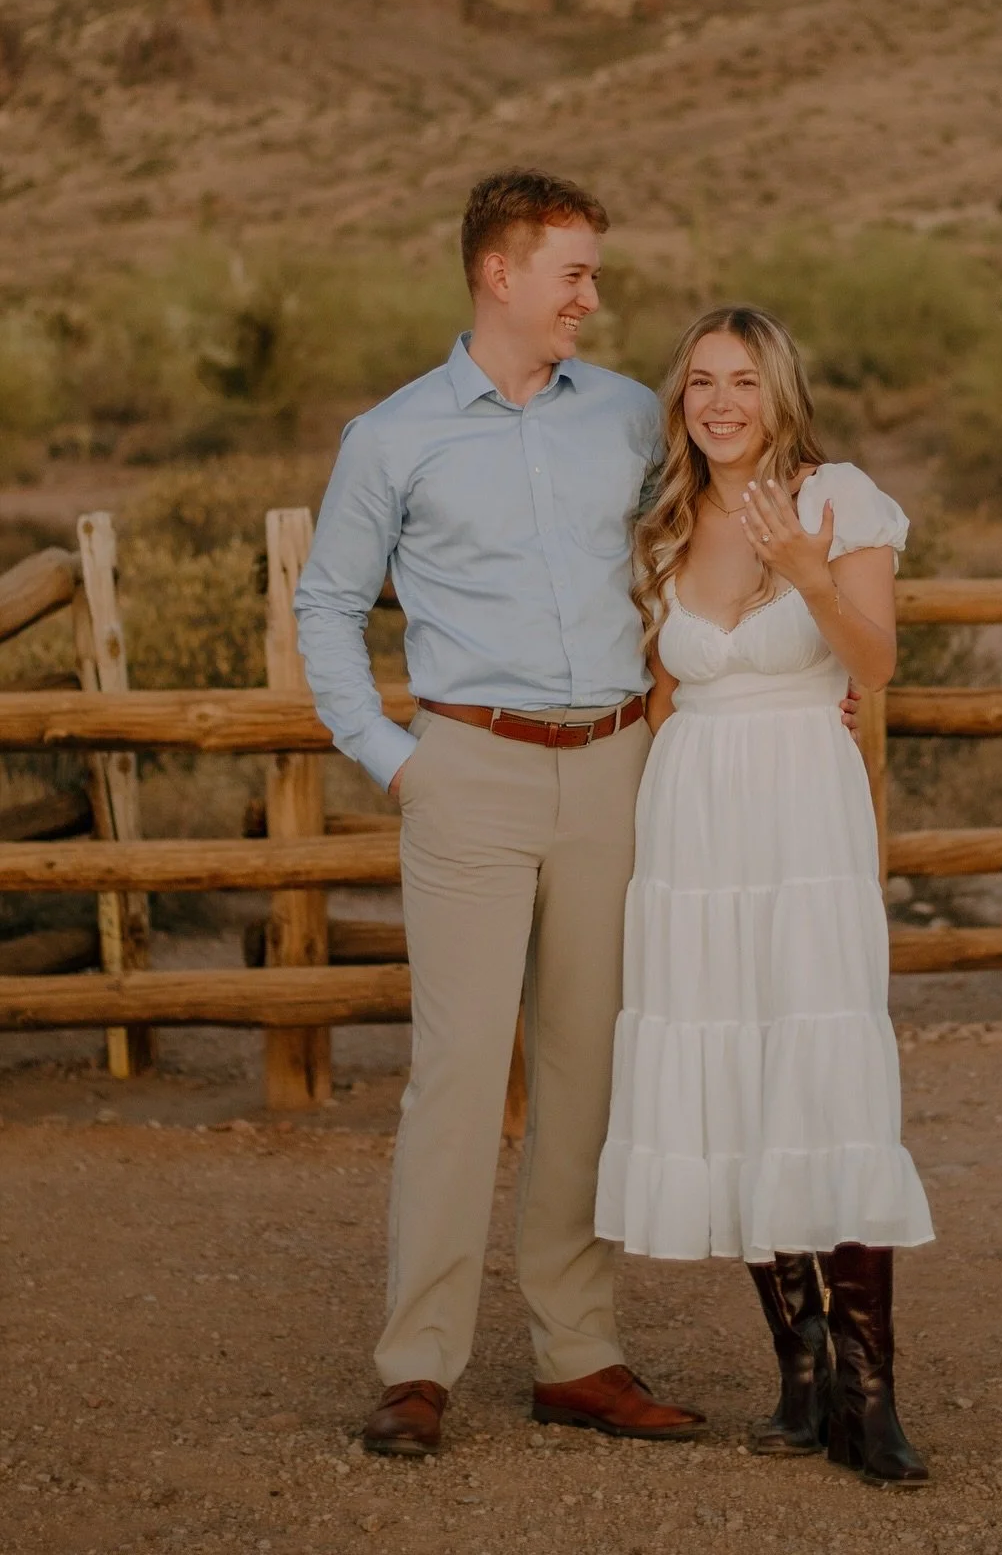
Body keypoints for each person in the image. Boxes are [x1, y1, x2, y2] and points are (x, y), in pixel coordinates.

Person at [294, 168, 705, 1456]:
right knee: (460, 1075)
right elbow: (325, 607)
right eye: (575, 272)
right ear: (501, 274)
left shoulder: (633, 417)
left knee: (587, 1071)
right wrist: (393, 756)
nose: (593, 295)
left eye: (593, 272)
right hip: (465, 770)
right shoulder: (394, 436)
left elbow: (691, 553)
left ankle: (578, 1355)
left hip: (613, 768)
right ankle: (417, 1366)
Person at [594, 305, 934, 1488]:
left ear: (779, 391)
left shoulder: (840, 499)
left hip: (803, 807)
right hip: (693, 820)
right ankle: (799, 1369)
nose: (720, 402)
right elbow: (652, 699)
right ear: (678, 399)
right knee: (734, 1074)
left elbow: (877, 663)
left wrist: (803, 572)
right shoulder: (662, 524)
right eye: (700, 382)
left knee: (821, 1070)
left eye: (743, 380)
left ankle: (871, 1396)